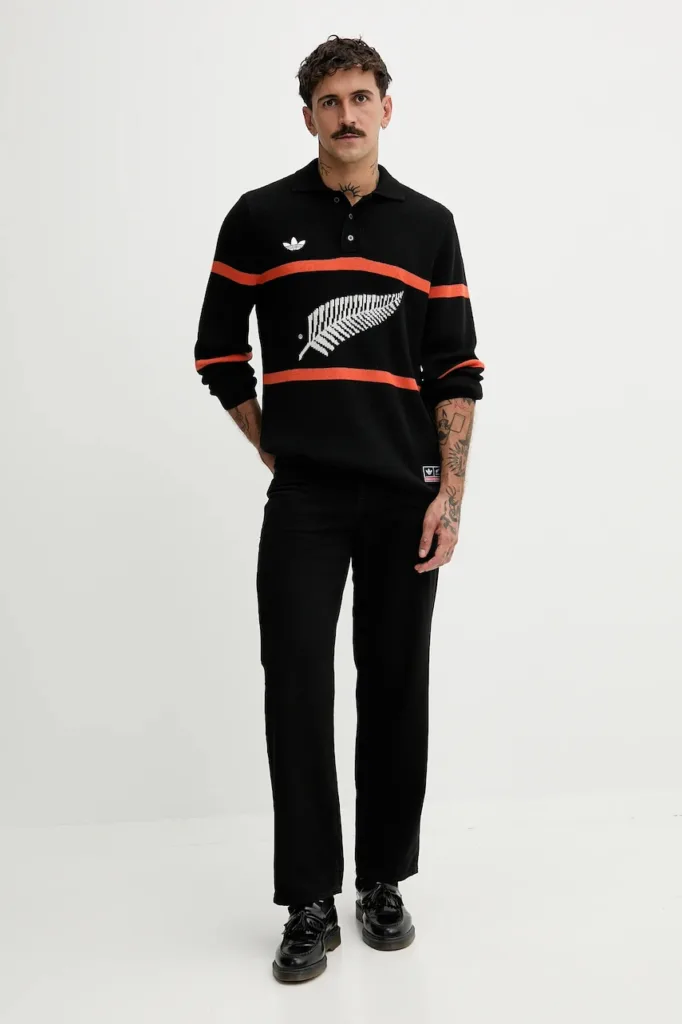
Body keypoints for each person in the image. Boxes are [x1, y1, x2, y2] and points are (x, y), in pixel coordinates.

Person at [193, 34, 485, 983]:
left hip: (406, 493)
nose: (347, 115)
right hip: (307, 497)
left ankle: (383, 881)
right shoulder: (259, 217)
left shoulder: (429, 225)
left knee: (396, 686)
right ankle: (310, 900)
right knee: (295, 689)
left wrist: (449, 496)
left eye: (362, 98)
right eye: (330, 101)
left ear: (386, 109)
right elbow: (217, 352)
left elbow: (457, 369)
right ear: (308, 116)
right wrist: (268, 441)